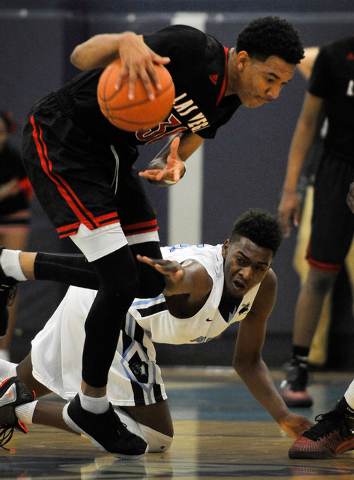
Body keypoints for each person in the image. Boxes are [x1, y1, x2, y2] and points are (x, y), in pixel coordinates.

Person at [3, 17, 304, 458]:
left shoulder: (229, 100)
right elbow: (80, 56)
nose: (274, 92)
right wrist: (124, 41)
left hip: (114, 158)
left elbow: (192, 135)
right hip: (64, 137)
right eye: (270, 78)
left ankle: (9, 267)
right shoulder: (190, 48)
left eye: (283, 84)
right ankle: (91, 404)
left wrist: (175, 159)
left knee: (145, 281)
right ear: (242, 59)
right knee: (121, 279)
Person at [0, 210, 312, 457]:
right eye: (241, 261)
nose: (247, 274)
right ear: (227, 247)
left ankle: (11, 403)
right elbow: (188, 276)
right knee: (156, 436)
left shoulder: (265, 286)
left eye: (259, 266)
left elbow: (248, 362)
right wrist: (176, 281)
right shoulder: (204, 272)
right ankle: (18, 410)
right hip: (113, 313)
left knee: (20, 382)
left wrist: (283, 416)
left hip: (89, 294)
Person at [277, 0, 354, 408]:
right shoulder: (335, 56)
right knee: (319, 273)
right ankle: (298, 365)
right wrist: (290, 189)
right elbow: (306, 124)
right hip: (336, 171)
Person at [290, 47, 354, 369]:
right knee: (310, 268)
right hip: (331, 176)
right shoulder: (338, 59)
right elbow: (303, 56)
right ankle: (306, 359)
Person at [0, 111, 32, 362]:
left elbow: (28, 189)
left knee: (9, 282)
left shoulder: (14, 159)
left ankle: (2, 350)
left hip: (13, 217)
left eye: (0, 133)